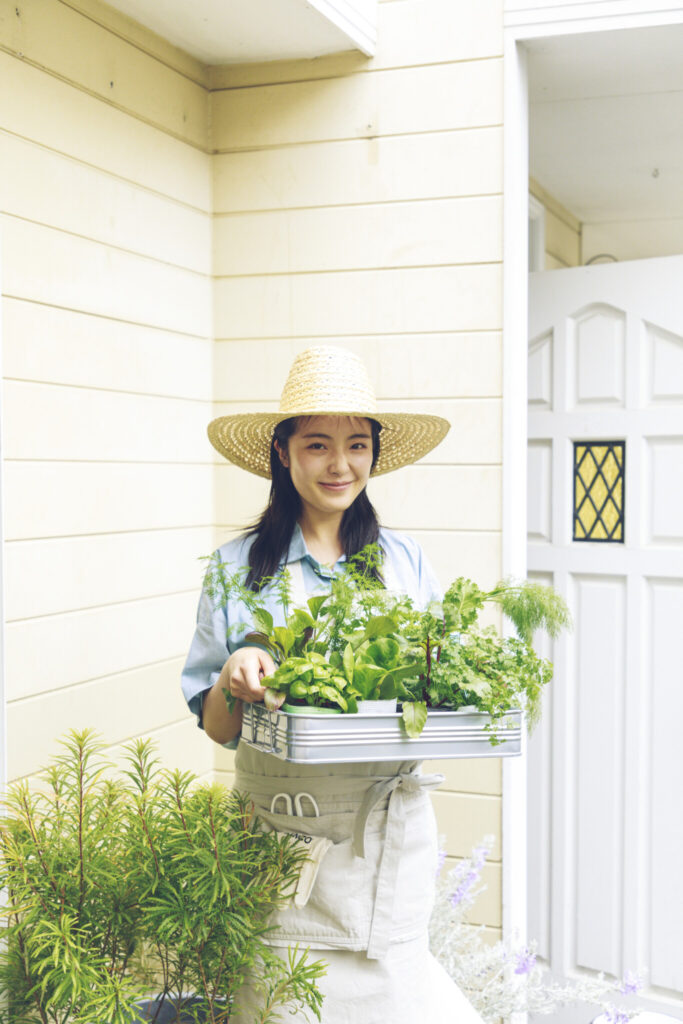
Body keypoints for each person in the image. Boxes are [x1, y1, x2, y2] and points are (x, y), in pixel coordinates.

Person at [181, 346, 485, 1023]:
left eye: (356, 444)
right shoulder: (235, 570)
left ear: (374, 455)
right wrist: (234, 677)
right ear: (282, 453)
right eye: (317, 444)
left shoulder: (402, 563)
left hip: (385, 846)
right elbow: (217, 728)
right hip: (280, 849)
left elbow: (443, 689)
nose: (339, 464)